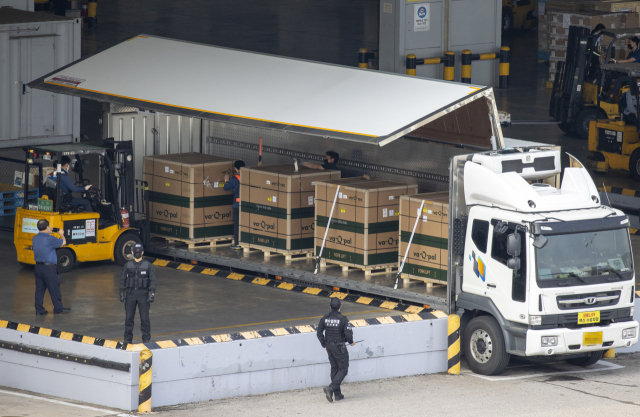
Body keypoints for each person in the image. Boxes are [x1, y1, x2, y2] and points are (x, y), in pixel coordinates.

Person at [316, 298, 354, 402]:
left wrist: (324, 345)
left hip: (329, 346)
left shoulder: (325, 318)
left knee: (334, 368)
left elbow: (319, 333)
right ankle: (331, 388)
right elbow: (348, 334)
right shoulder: (343, 319)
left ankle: (337, 394)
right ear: (340, 307)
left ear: (330, 307)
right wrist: (351, 342)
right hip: (339, 346)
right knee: (343, 369)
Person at [119, 244, 157, 343]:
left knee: (145, 319)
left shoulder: (148, 265)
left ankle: (146, 340)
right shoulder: (127, 265)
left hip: (143, 295)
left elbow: (153, 280)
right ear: (132, 252)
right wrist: (121, 293)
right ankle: (127, 340)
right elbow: (123, 279)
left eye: (139, 251)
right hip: (130, 294)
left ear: (142, 252)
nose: (137, 253)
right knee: (129, 319)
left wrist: (152, 293)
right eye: (135, 251)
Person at [32, 219, 71, 315]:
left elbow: (44, 237)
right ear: (47, 227)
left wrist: (49, 232)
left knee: (39, 290)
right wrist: (61, 233)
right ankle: (58, 308)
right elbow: (64, 242)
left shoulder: (35, 238)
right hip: (49, 269)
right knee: (54, 288)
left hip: (38, 267)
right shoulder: (50, 239)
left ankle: (39, 310)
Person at [224, 160, 245, 250]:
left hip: (237, 205)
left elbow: (226, 188)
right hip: (246, 205)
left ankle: (237, 243)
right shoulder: (249, 176)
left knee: (237, 224)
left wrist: (226, 181)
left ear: (235, 168)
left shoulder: (235, 179)